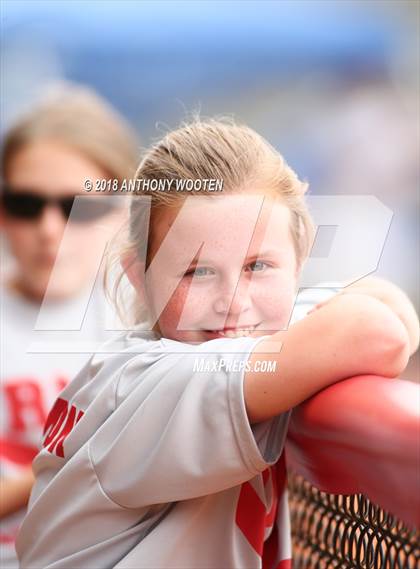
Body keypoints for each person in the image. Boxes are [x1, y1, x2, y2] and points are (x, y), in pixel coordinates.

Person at [16, 119, 419, 569]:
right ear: (139, 279)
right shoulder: (160, 381)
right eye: (197, 272)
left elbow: (388, 304)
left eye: (258, 266)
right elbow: (378, 331)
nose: (232, 304)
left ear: (299, 265)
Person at [0, 86, 139, 568]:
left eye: (82, 207)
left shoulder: (154, 325)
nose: (49, 229)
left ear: (124, 213)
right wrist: (76, 462)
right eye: (24, 204)